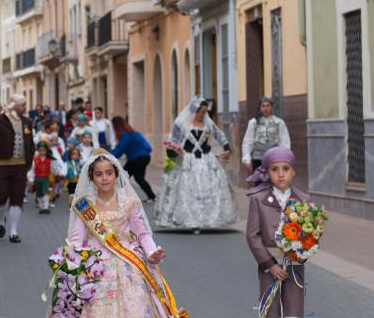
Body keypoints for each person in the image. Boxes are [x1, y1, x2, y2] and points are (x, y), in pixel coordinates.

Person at [38, 150, 197, 318]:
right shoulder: (84, 206)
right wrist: (74, 263)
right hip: (95, 268)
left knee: (138, 317)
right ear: (91, 178)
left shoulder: (130, 202)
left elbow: (143, 233)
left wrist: (152, 251)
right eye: (99, 174)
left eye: (109, 173)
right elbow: (77, 240)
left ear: (116, 174)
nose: (104, 179)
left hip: (128, 264)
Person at [245, 146, 309, 318]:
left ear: (293, 171)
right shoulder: (259, 200)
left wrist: (301, 254)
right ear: (267, 172)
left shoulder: (304, 200)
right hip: (269, 268)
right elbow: (252, 236)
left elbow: (312, 234)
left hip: (294, 268)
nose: (281, 174)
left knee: (294, 317)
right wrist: (269, 264)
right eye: (275, 170)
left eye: (286, 169)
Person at [154, 96, 237, 230]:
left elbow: (219, 134)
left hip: (206, 160)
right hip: (188, 160)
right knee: (187, 189)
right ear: (195, 111)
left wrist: (227, 148)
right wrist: (174, 151)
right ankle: (191, 220)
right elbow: (173, 141)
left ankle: (208, 219)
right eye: (202, 112)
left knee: (209, 189)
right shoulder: (182, 124)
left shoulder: (208, 123)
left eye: (206, 112)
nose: (204, 115)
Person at [0, 93, 35, 243]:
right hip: (2, 165)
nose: (25, 108)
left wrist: (29, 161)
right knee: (1, 197)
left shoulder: (27, 122)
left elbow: (30, 143)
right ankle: (1, 220)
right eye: (22, 105)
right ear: (15, 105)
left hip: (20, 166)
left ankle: (13, 231)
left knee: (17, 198)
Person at [110, 116, 156, 201]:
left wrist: (110, 157)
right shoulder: (134, 133)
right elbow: (148, 146)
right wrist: (111, 154)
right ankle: (151, 196)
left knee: (122, 177)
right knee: (138, 178)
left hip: (136, 159)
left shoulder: (125, 135)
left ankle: (117, 198)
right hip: (145, 157)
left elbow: (121, 149)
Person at [241, 97, 291, 174]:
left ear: (271, 107)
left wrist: (285, 158)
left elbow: (284, 141)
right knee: (259, 182)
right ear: (260, 107)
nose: (265, 108)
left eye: (268, 106)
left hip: (274, 158)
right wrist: (247, 159)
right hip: (257, 158)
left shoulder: (279, 122)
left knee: (273, 181)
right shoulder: (253, 123)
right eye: (263, 106)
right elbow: (248, 141)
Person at [30, 141, 54, 214]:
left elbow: (53, 167)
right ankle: (41, 207)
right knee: (39, 193)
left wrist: (58, 172)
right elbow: (32, 169)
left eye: (43, 150)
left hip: (45, 178)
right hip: (37, 178)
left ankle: (46, 207)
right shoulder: (35, 159)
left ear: (46, 150)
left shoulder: (49, 159)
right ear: (38, 150)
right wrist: (31, 179)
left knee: (45, 192)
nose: (42, 152)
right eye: (40, 150)